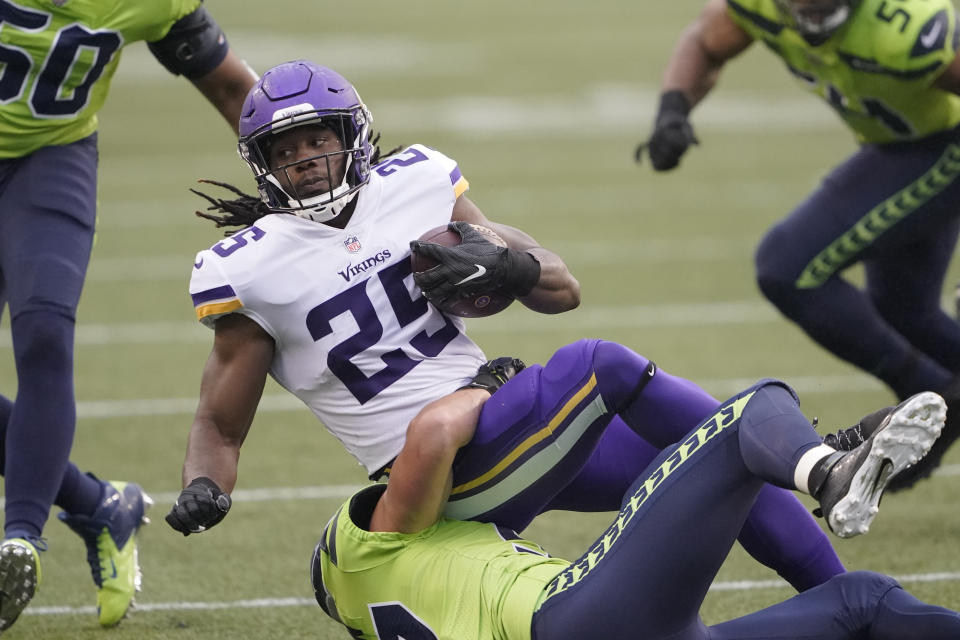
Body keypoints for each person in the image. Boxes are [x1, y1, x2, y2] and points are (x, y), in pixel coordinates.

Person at [168, 59, 868, 599]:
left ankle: (849, 601)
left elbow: (562, 288)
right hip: (438, 469)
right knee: (602, 363)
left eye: (317, 139)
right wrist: (206, 486)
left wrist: (511, 267)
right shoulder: (251, 267)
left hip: (507, 420)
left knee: (716, 465)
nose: (306, 161)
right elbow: (220, 422)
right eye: (285, 150)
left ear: (354, 136)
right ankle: (815, 461)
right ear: (262, 164)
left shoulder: (418, 184)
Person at [312, 382, 958, 640]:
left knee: (860, 600)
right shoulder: (372, 546)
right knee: (748, 411)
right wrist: (487, 388)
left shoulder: (392, 604)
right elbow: (430, 436)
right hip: (576, 616)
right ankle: (829, 466)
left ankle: (813, 459)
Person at [0, 0, 257, 632]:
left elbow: (231, 86)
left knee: (44, 332)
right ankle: (99, 507)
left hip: (47, 162)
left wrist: (302, 181)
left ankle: (20, 539)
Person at [637, 0, 960, 490]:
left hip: (941, 145)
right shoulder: (760, 6)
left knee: (789, 265)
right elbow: (706, 40)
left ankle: (932, 392)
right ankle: (942, 395)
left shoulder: (906, 27)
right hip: (891, 145)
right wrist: (673, 110)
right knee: (905, 308)